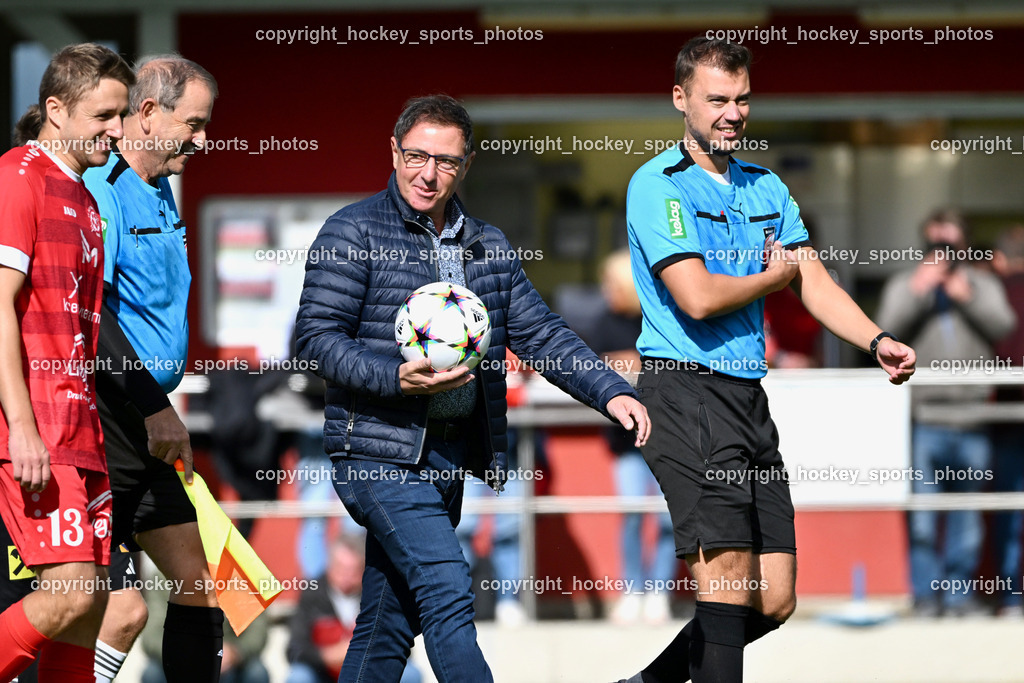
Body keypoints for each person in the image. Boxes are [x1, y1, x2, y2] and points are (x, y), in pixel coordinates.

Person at [294, 94, 650, 683]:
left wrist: (610, 391)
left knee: (387, 624)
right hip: (376, 454)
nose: (428, 174)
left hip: (450, 454)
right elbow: (313, 338)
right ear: (393, 150)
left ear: (467, 165)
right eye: (416, 156)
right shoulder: (352, 229)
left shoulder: (488, 244)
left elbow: (540, 332)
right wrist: (395, 377)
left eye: (446, 162)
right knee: (447, 586)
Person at [620, 37, 916, 683]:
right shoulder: (656, 185)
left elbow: (812, 279)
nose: (732, 112)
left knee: (774, 597)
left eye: (742, 98)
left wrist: (875, 339)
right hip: (685, 392)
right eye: (717, 99)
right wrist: (773, 276)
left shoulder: (767, 186)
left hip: (748, 398)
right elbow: (697, 298)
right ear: (681, 100)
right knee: (724, 583)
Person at [80, 54, 224, 679]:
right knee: (119, 612)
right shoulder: (103, 188)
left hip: (147, 421)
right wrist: (157, 407)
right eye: (192, 123)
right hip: (107, 419)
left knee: (201, 586)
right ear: (147, 113)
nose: (202, 138)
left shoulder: (161, 185)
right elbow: (93, 318)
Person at [0, 42, 133, 681]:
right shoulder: (16, 174)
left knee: (94, 608)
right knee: (72, 591)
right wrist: (21, 425)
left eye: (122, 114)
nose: (117, 130)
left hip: (83, 433)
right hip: (35, 432)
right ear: (57, 109)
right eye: (104, 116)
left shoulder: (84, 198)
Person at [877, 209, 1015, 617]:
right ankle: (924, 597)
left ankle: (958, 599)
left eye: (950, 244)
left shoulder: (982, 283)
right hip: (925, 419)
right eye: (935, 243)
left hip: (973, 418)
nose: (942, 252)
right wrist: (921, 290)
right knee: (922, 517)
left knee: (967, 519)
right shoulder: (906, 283)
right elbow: (882, 330)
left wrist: (964, 296)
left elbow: (1004, 326)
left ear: (965, 244)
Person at [587, 250, 676, 625]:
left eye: (612, 283)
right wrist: (634, 361)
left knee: (670, 518)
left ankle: (659, 592)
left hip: (668, 436)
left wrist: (630, 361)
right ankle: (633, 590)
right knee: (632, 515)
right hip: (625, 439)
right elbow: (597, 364)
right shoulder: (603, 321)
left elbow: (668, 362)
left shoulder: (661, 316)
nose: (605, 291)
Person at [286, 535, 421, 683]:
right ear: (330, 565)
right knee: (299, 677)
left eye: (353, 571)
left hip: (370, 669)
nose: (346, 577)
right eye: (341, 569)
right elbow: (295, 648)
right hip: (323, 671)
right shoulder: (312, 593)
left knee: (410, 674)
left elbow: (401, 643)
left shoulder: (378, 593)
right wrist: (327, 656)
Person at [991, 225, 1024, 617]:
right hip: (1005, 415)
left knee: (1007, 509)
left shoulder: (994, 291)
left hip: (1003, 414)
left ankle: (1010, 597)